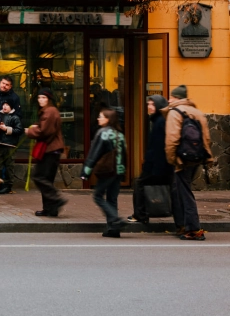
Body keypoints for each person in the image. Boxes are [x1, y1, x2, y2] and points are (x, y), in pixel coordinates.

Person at [164, 85, 214, 241]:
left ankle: (193, 229)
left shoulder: (174, 112)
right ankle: (185, 225)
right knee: (183, 191)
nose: (169, 99)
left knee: (185, 194)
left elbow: (172, 139)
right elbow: (207, 138)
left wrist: (173, 160)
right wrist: (206, 158)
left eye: (171, 96)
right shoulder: (197, 112)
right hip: (196, 158)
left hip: (182, 159)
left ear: (176, 98)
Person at [81, 109, 128, 238]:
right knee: (112, 198)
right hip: (118, 170)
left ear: (108, 119)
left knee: (98, 196)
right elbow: (125, 154)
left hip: (107, 170)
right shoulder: (120, 134)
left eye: (101, 117)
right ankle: (113, 229)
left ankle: (115, 219)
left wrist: (86, 171)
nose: (98, 119)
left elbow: (94, 154)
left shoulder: (103, 133)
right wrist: (123, 171)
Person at [128, 95, 174, 224]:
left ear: (159, 106)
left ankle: (140, 215)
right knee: (171, 188)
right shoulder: (159, 120)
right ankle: (176, 216)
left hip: (157, 165)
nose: (149, 106)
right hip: (163, 165)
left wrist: (152, 166)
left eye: (152, 104)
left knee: (139, 184)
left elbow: (158, 147)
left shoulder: (159, 122)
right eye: (148, 104)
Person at [25, 88, 68, 217]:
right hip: (51, 150)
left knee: (39, 177)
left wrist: (30, 131)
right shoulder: (49, 111)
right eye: (39, 98)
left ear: (49, 99)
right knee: (47, 179)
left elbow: (45, 131)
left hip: (50, 149)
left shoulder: (50, 111)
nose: (41, 100)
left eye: (43, 98)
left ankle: (56, 199)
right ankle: (50, 209)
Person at [0, 100, 24, 194]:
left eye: (7, 105)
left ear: (11, 107)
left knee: (9, 165)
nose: (5, 106)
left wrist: (6, 129)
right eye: (3, 105)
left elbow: (19, 130)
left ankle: (8, 186)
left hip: (10, 144)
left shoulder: (15, 117)